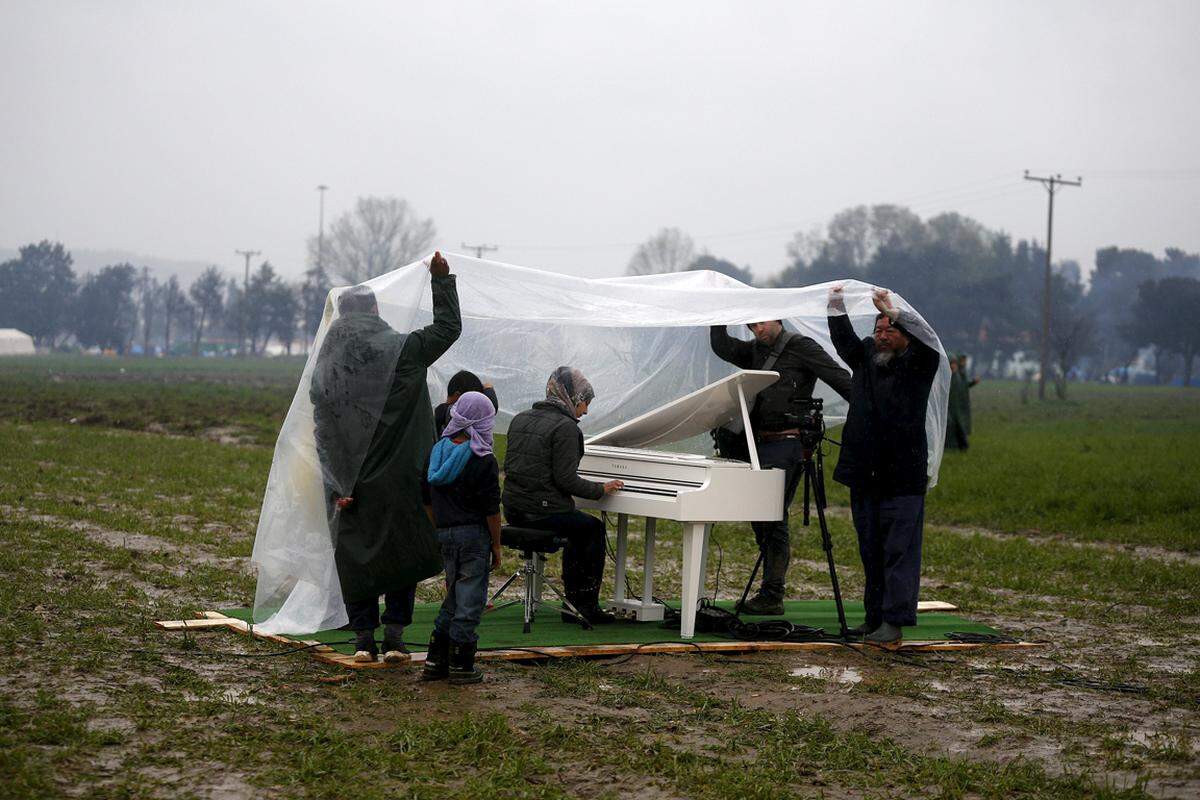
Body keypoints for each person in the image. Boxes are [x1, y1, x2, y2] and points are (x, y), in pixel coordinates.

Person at [310, 252, 462, 663]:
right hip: (404, 478)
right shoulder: (405, 350)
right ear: (376, 310)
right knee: (401, 551)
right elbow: (448, 328)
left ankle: (363, 640)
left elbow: (323, 432)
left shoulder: (327, 365)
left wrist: (337, 484)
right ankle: (395, 637)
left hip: (351, 482)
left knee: (356, 555)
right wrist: (441, 281)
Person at [710, 319, 852, 615]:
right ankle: (769, 589)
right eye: (751, 327)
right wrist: (719, 316)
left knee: (773, 515)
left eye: (761, 324)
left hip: (788, 444)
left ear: (777, 318)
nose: (757, 331)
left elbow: (841, 380)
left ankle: (773, 594)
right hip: (758, 444)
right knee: (761, 515)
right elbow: (723, 347)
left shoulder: (802, 346)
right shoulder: (755, 350)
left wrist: (869, 410)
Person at [826, 285, 941, 645]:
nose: (882, 336)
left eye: (890, 330)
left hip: (903, 476)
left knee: (899, 550)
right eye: (878, 330)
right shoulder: (865, 357)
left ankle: (894, 621)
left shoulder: (920, 364)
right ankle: (873, 617)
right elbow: (844, 340)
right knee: (871, 550)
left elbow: (927, 341)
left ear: (905, 337)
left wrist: (893, 309)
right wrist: (835, 306)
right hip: (864, 473)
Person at [501, 366, 623, 625]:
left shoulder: (520, 418)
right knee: (591, 529)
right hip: (540, 512)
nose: (586, 411)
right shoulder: (566, 427)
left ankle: (572, 603)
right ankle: (584, 605)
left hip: (512, 508)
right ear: (572, 398)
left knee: (576, 524)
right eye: (585, 403)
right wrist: (600, 489)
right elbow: (566, 480)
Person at [420, 391, 502, 684]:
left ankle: (435, 661)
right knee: (469, 600)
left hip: (445, 534)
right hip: (474, 537)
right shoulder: (482, 458)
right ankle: (461, 665)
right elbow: (492, 510)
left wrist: (440, 527)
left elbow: (426, 498)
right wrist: (496, 544)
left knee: (454, 596)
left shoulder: (437, 451)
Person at [434, 370, 498, 434]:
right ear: (457, 395)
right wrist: (488, 389)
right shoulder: (450, 412)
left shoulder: (442, 410)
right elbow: (491, 407)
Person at [945, 354, 981, 451]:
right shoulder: (948, 376)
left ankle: (962, 446)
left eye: (954, 364)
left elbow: (964, 386)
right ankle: (953, 446)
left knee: (960, 426)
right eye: (951, 363)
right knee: (952, 426)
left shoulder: (959, 375)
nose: (953, 366)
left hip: (958, 406)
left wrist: (973, 382)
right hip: (951, 407)